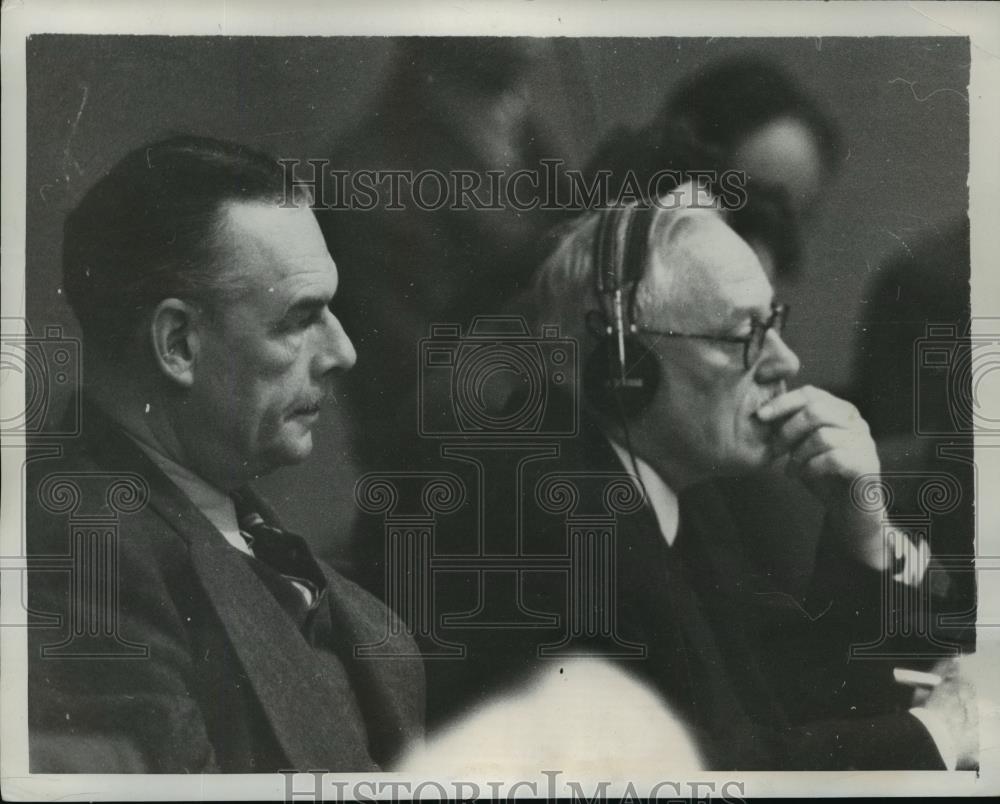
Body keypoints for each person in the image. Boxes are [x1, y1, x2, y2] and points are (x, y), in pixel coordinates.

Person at [420, 183, 976, 770]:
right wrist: (939, 731)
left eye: (774, 324)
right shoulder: (551, 524)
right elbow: (711, 775)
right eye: (743, 336)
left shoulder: (673, 488)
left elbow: (781, 700)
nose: (785, 362)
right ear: (626, 367)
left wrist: (865, 532)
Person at [26, 136, 424, 773]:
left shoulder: (226, 524)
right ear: (178, 343)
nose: (343, 352)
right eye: (300, 318)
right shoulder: (82, 555)